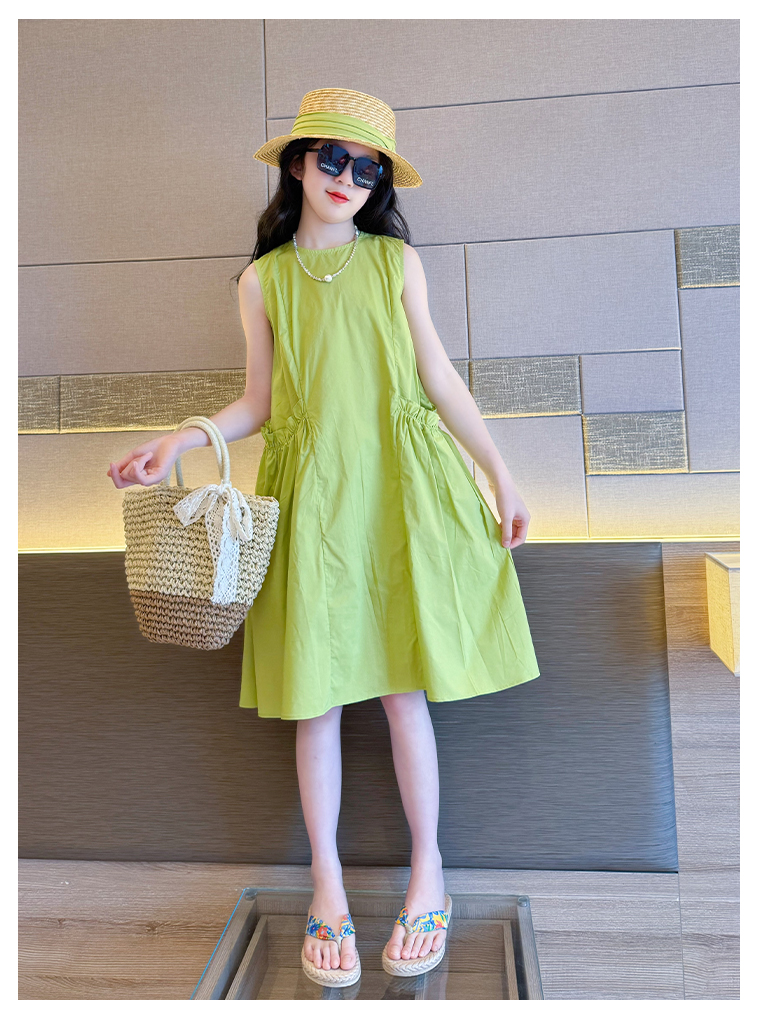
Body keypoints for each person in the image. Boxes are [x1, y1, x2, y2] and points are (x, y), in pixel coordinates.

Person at [107, 88, 540, 989]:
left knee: (402, 692)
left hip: (400, 490)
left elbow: (437, 375)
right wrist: (182, 439)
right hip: (310, 497)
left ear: (378, 182)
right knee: (317, 700)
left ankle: (429, 871)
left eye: (366, 167)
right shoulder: (261, 281)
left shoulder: (394, 262)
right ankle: (327, 885)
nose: (347, 178)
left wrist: (500, 472)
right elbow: (260, 401)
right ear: (298, 163)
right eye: (332, 159)